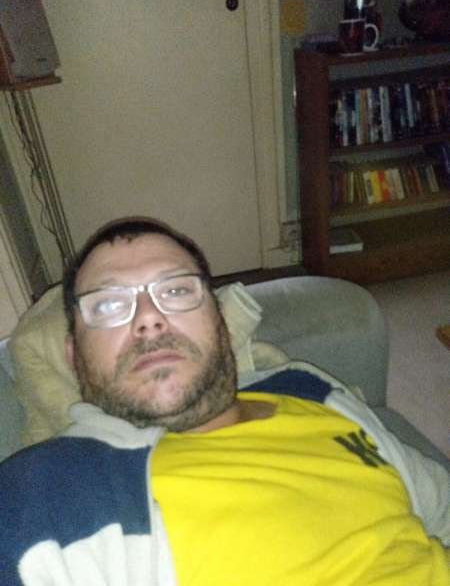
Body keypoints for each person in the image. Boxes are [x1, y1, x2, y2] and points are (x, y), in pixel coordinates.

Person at [0, 216, 449, 586]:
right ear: (74, 357)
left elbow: (440, 509)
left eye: (176, 291)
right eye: (107, 305)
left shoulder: (312, 390)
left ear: (219, 319)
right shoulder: (41, 492)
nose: (149, 319)